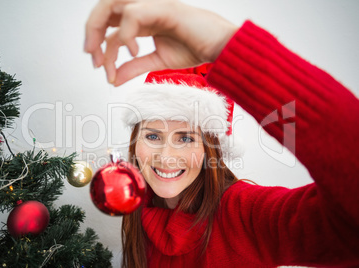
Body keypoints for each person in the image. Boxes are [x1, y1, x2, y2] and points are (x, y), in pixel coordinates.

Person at [84, 0, 359, 267]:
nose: (166, 157)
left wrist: (224, 44)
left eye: (186, 137)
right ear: (135, 142)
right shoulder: (136, 206)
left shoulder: (245, 214)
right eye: (153, 136)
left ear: (211, 148)